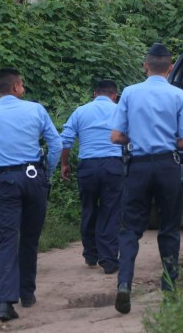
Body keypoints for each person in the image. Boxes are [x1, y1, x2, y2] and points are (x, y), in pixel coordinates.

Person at [109, 42, 183, 314]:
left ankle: (124, 283)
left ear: (145, 66)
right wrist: (167, 139)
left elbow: (115, 137)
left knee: (130, 230)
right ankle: (170, 288)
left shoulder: (129, 93)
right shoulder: (178, 95)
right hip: (167, 166)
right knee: (169, 228)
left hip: (137, 167)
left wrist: (136, 137)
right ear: (170, 68)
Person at [0, 67, 62, 322]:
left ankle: (4, 303)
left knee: (9, 239)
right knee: (30, 238)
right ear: (15, 87)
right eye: (21, 85)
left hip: (4, 181)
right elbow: (55, 144)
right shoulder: (36, 110)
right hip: (34, 178)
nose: (23, 88)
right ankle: (28, 293)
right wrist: (48, 174)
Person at [60, 80, 123, 274]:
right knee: (110, 211)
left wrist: (64, 163)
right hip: (113, 165)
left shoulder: (80, 111)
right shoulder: (120, 110)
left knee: (89, 208)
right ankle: (109, 259)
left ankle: (90, 253)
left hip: (87, 167)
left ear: (94, 93)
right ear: (114, 95)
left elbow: (66, 140)